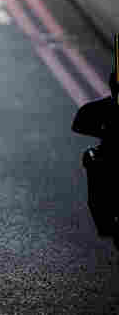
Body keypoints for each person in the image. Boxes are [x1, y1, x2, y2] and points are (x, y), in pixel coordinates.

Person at [72, 39, 118, 250]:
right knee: (93, 159)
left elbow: (80, 123)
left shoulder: (104, 107)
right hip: (112, 161)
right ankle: (105, 218)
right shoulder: (105, 108)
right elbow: (80, 122)